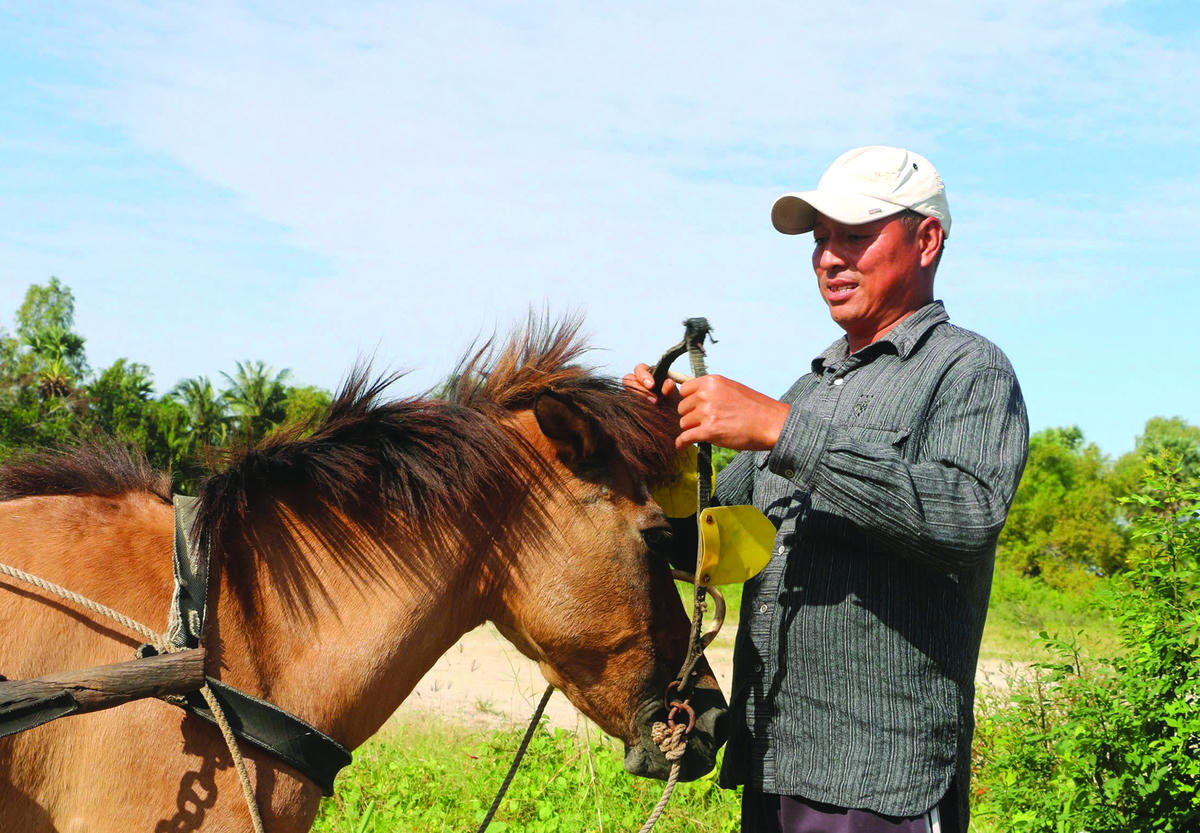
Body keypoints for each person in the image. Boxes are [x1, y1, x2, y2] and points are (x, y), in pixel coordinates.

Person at [626, 146, 1029, 833]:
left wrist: (783, 431)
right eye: (819, 241)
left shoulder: (968, 369)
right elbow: (707, 549)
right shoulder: (809, 390)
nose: (829, 258)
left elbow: (967, 516)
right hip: (774, 767)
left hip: (883, 783)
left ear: (926, 239)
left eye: (854, 236)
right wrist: (662, 450)